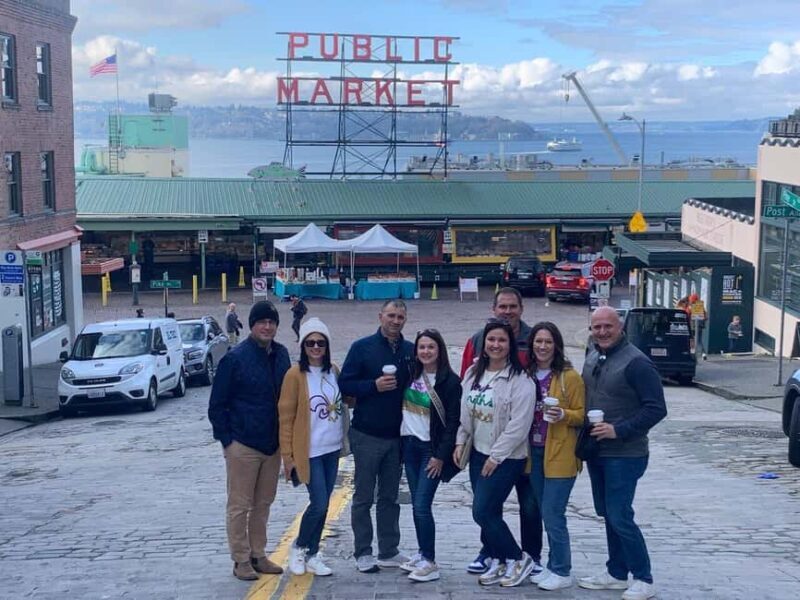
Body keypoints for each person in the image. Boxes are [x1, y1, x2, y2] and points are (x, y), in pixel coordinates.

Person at [578, 306, 667, 600]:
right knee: (607, 513)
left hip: (626, 453)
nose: (602, 332)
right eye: (597, 327)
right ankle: (617, 572)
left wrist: (619, 430)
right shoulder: (593, 354)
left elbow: (657, 408)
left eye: (608, 326)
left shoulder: (637, 363)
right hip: (597, 451)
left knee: (619, 515)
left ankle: (643, 577)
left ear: (621, 327)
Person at [459, 287, 543, 576]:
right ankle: (494, 553)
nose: (507, 311)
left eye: (512, 306)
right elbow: (465, 402)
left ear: (521, 308)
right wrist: (460, 440)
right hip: (479, 449)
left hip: (518, 447)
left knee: (527, 505)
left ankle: (527, 556)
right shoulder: (474, 356)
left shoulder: (533, 341)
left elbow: (520, 421)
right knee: (487, 508)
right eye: (502, 307)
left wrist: (497, 455)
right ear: (493, 309)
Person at [208, 300, 291, 581]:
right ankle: (240, 559)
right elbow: (217, 405)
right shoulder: (235, 359)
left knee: (263, 503)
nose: (267, 327)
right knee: (239, 505)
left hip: (271, 444)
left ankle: (258, 553)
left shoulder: (281, 355)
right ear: (252, 325)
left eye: (272, 322)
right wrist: (227, 441)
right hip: (243, 443)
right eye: (262, 322)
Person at [339, 299, 415, 573]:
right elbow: (344, 384)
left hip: (397, 436)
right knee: (363, 496)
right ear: (380, 316)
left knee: (389, 497)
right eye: (391, 316)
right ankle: (363, 551)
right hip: (367, 434)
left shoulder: (410, 351)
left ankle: (389, 549)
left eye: (400, 317)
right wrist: (373, 386)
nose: (395, 321)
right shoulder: (362, 348)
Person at [279, 318, 349, 578]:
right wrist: (288, 456)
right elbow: (286, 418)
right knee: (318, 503)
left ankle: (313, 553)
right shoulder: (294, 375)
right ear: (303, 346)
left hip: (331, 448)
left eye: (321, 342)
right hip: (309, 451)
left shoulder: (334, 370)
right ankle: (299, 546)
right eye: (310, 343)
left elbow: (345, 400)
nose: (316, 347)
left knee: (325, 504)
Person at [399, 329, 462, 583]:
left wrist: (440, 456)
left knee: (422, 505)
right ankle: (422, 551)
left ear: (440, 350)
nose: (426, 351)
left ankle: (430, 561)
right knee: (417, 503)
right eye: (422, 347)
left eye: (431, 347)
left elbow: (453, 423)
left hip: (430, 450)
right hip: (409, 446)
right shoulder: (411, 374)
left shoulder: (450, 381)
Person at [526, 321, 585, 591]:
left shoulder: (569, 377)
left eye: (548, 342)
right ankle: (552, 565)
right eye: (538, 341)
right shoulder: (526, 374)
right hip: (533, 452)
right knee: (543, 511)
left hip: (560, 452)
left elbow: (582, 415)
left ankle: (562, 569)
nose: (543, 346)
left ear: (556, 345)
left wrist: (563, 414)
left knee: (553, 513)